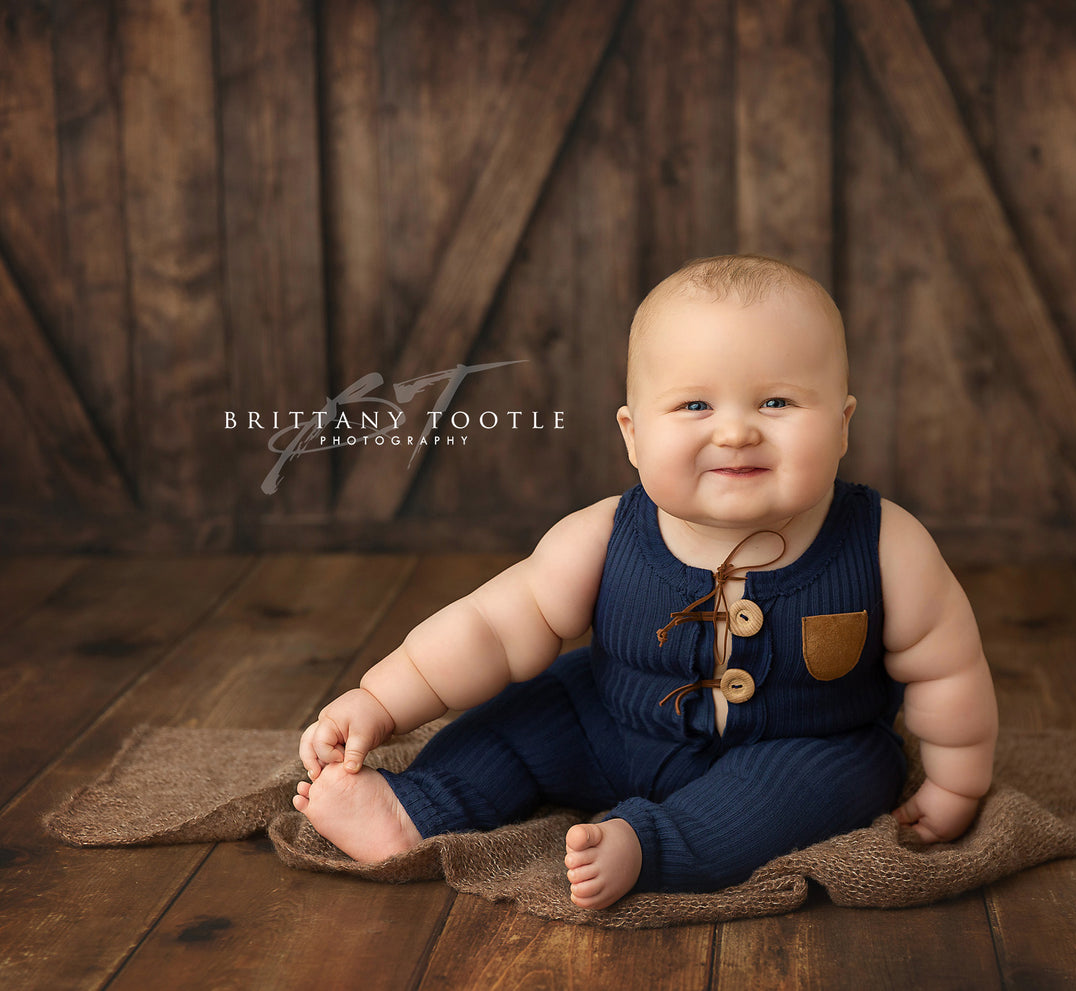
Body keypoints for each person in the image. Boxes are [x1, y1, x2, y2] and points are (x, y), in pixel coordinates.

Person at [294, 254, 997, 910]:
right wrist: (380, 700)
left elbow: (945, 668)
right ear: (632, 435)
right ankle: (414, 807)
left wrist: (955, 780)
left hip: (806, 745)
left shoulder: (884, 543)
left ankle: (648, 846)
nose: (735, 432)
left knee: (802, 794)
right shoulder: (599, 534)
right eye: (695, 405)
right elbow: (489, 628)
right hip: (611, 724)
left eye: (776, 403)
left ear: (842, 426)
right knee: (515, 723)